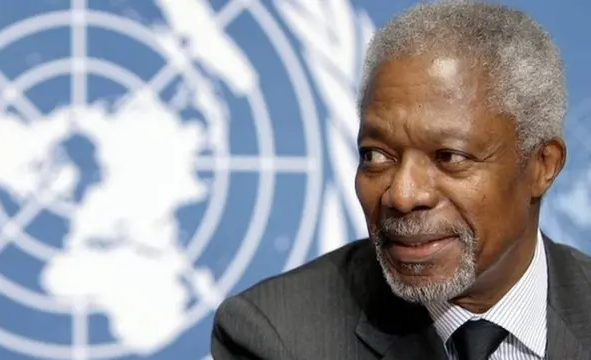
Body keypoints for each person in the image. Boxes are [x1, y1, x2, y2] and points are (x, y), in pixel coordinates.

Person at [211, 2, 591, 359]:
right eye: (375, 156)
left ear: (543, 166)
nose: (403, 195)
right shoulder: (276, 336)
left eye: (450, 157)